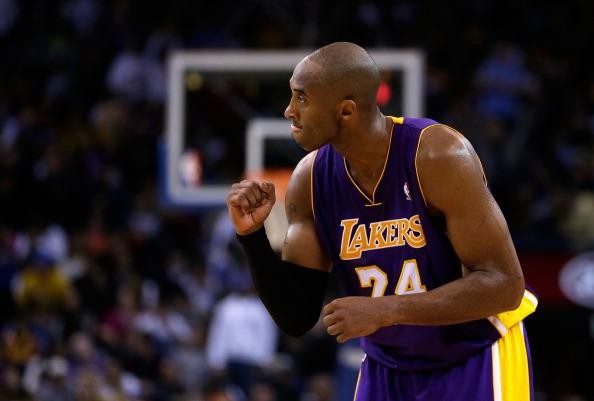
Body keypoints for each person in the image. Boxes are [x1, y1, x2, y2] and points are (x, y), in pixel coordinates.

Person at [226, 42, 538, 401]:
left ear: (346, 110)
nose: (288, 111)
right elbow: (297, 317)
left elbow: (505, 285)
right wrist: (252, 237)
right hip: (388, 364)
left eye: (301, 98)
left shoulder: (437, 155)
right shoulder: (309, 180)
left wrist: (386, 310)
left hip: (475, 352)